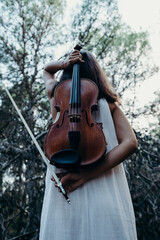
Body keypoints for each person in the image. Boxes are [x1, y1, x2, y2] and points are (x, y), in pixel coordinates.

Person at [39, 47, 138, 240]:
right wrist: (89, 174)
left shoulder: (57, 98)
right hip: (103, 186)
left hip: (64, 186)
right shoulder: (108, 105)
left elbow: (47, 70)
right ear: (95, 73)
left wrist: (64, 63)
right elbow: (131, 142)